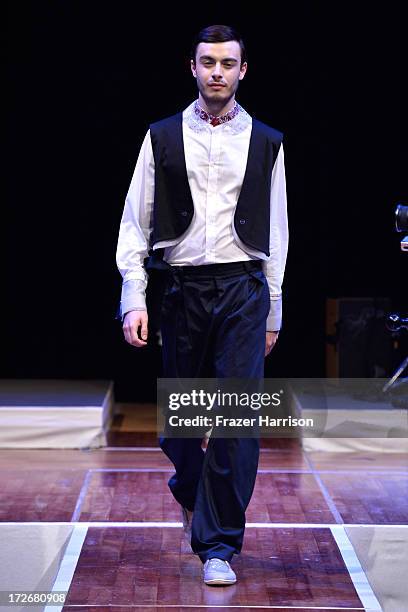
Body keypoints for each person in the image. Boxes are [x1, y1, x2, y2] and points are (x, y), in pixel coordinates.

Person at [116, 24, 289, 586]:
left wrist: (274, 307)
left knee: (236, 420)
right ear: (192, 67)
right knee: (181, 429)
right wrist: (133, 296)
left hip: (243, 290)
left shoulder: (265, 141)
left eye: (228, 63)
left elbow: (278, 230)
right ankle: (190, 491)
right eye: (208, 62)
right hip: (184, 291)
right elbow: (135, 221)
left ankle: (218, 545)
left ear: (243, 70)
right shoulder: (162, 136)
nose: (218, 71)